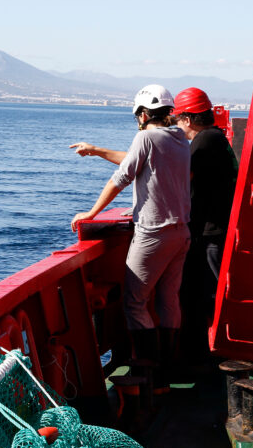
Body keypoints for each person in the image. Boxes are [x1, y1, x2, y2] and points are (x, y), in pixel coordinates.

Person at [70, 84, 191, 367]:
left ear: (145, 113)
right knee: (168, 301)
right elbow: (137, 160)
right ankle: (165, 372)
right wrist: (97, 150)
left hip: (153, 233)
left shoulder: (147, 138)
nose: (138, 120)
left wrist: (91, 212)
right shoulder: (179, 138)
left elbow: (121, 178)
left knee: (135, 303)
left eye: (138, 115)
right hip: (181, 232)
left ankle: (148, 373)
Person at [172, 88, 238, 357]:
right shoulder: (216, 138)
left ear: (188, 119)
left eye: (177, 119)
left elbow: (176, 174)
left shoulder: (204, 140)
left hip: (211, 232)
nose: (177, 125)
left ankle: (213, 353)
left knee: (208, 293)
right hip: (216, 228)